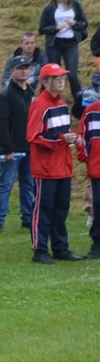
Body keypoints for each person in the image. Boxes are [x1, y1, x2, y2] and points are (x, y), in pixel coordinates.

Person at [27, 63, 80, 264]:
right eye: (57, 79)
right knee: (43, 210)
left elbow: (62, 134)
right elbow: (33, 136)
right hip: (46, 168)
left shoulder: (61, 104)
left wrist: (74, 139)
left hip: (63, 166)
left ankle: (60, 247)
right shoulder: (39, 105)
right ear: (45, 82)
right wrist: (60, 139)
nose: (61, 82)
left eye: (63, 78)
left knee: (61, 209)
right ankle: (39, 250)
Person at [0, 56, 36, 233]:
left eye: (26, 67)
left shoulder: (31, 92)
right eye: (20, 68)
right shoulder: (4, 95)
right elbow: (0, 125)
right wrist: (7, 148)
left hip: (29, 146)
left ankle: (28, 217)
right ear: (12, 71)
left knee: (28, 184)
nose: (24, 70)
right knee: (5, 184)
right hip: (11, 149)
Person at [39, 0, 88, 98]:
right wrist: (56, 28)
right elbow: (42, 29)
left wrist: (74, 23)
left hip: (71, 44)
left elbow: (84, 23)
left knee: (72, 74)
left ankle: (80, 101)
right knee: (53, 74)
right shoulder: (48, 8)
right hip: (54, 44)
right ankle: (50, 99)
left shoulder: (75, 4)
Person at [77, 93, 100, 258]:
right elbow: (82, 137)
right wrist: (89, 159)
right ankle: (97, 244)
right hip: (98, 169)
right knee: (98, 207)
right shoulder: (91, 111)